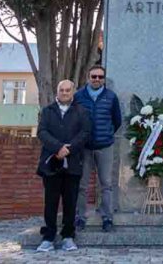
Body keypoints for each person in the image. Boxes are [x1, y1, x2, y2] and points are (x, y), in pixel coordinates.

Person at [36, 80, 91, 252]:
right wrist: (58, 147)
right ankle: (48, 238)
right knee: (50, 202)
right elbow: (42, 132)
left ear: (73, 92)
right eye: (62, 90)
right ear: (57, 91)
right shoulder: (47, 111)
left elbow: (86, 133)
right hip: (51, 163)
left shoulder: (82, 111)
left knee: (70, 202)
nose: (65, 93)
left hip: (72, 163)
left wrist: (69, 149)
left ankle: (68, 236)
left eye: (68, 90)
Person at [73, 64, 122, 232]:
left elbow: (117, 120)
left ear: (104, 79)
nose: (97, 79)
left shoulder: (111, 97)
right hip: (84, 147)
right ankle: (80, 217)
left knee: (106, 184)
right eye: (94, 76)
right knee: (82, 184)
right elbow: (74, 120)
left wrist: (106, 134)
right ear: (88, 77)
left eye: (100, 77)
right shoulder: (78, 96)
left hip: (105, 146)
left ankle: (107, 217)